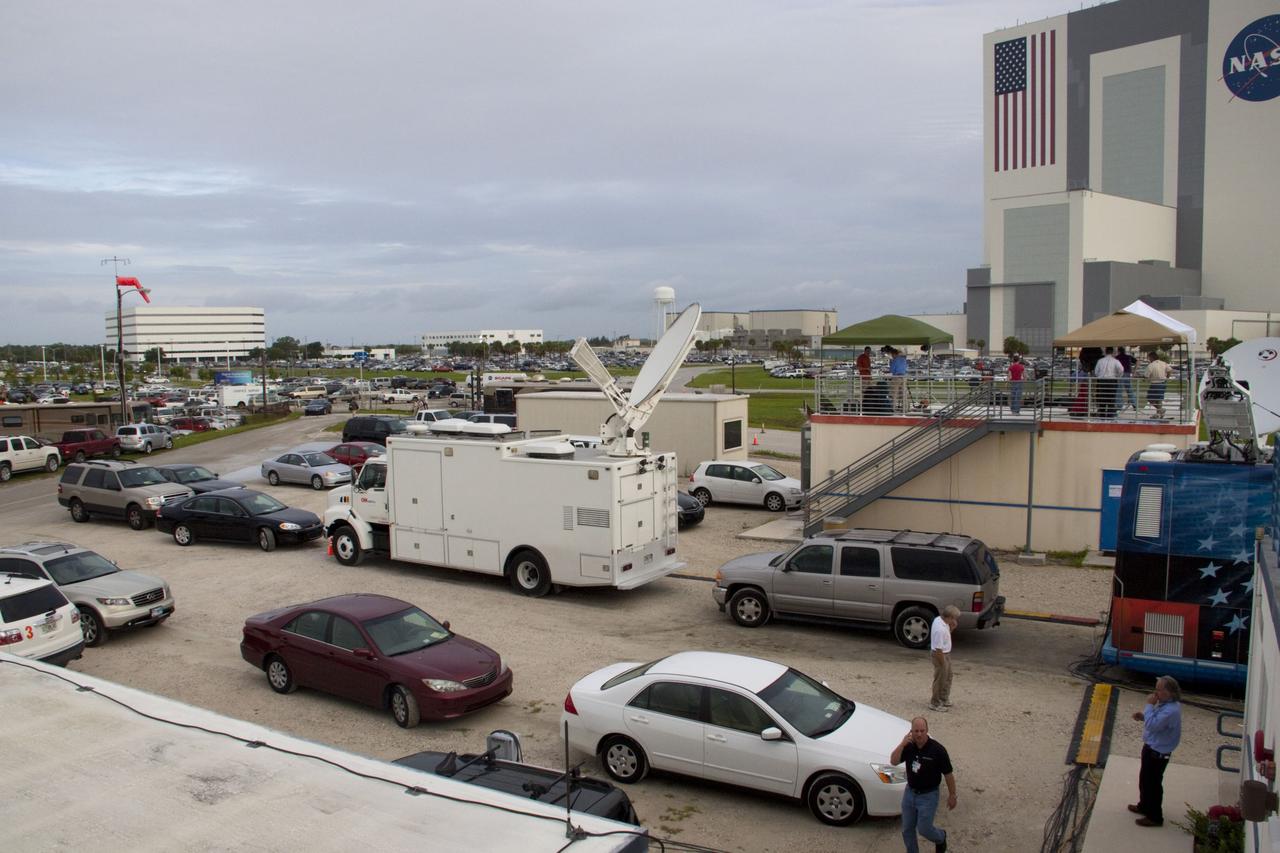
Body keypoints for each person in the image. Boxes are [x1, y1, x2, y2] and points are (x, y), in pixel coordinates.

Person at [891, 717, 957, 853]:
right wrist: (902, 744)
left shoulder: (938, 750)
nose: (919, 734)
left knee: (924, 829)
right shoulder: (908, 746)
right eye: (916, 731)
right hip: (910, 793)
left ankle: (940, 837)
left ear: (927, 731)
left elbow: (948, 774)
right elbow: (893, 761)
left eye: (922, 731)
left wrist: (952, 795)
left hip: (928, 795)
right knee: (907, 829)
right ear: (911, 732)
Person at [1129, 675, 1182, 827]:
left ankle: (1155, 816)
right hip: (1152, 748)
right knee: (1145, 780)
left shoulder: (1171, 710)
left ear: (1169, 692)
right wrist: (1144, 716)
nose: (1155, 693)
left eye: (1159, 690)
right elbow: (1155, 721)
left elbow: (1153, 725)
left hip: (1158, 753)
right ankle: (1144, 805)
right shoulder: (1165, 705)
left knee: (1153, 784)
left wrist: (1149, 706)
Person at [929, 605, 960, 711]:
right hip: (941, 655)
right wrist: (943, 663)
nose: (955, 620)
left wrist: (952, 627)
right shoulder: (940, 629)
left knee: (948, 676)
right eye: (954, 618)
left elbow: (946, 638)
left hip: (945, 654)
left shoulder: (939, 620)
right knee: (941, 679)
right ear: (949, 617)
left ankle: (943, 698)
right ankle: (935, 702)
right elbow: (938, 650)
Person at [1094, 347, 1123, 419]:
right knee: (1111, 399)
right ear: (1112, 352)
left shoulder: (1100, 361)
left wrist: (1099, 376)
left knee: (1102, 398)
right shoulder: (1116, 361)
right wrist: (1118, 376)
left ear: (1105, 352)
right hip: (1112, 381)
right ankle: (1110, 415)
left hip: (1102, 381)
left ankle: (1102, 415)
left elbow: (1096, 372)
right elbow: (1121, 370)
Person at [1144, 351, 1171, 419]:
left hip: (1155, 384)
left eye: (1149, 358)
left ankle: (1160, 411)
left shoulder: (1151, 365)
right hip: (1163, 383)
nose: (1148, 359)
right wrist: (1167, 377)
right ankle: (1159, 413)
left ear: (1151, 357)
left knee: (1150, 398)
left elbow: (1146, 376)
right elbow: (1170, 370)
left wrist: (1143, 378)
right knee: (1159, 399)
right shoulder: (1163, 363)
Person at [1116, 346, 1138, 412]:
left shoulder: (1117, 357)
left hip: (1121, 374)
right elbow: (1137, 362)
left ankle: (1119, 406)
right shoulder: (1129, 357)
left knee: (1119, 390)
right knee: (1129, 390)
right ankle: (1134, 404)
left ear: (1118, 351)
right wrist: (1134, 371)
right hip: (1128, 374)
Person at [889, 348, 909, 413]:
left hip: (896, 377)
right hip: (903, 376)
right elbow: (906, 368)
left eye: (892, 354)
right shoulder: (903, 359)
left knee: (894, 393)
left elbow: (892, 370)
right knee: (903, 393)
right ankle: (905, 408)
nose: (892, 356)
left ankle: (893, 408)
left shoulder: (894, 360)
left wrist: (891, 363)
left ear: (894, 354)